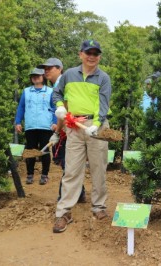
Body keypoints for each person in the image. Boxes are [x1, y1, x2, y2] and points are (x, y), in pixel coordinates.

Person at [50, 40, 111, 233]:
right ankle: (63, 212)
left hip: (95, 126)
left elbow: (103, 104)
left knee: (98, 168)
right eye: (88, 53)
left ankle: (99, 207)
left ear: (99, 56)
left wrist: (97, 125)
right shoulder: (68, 74)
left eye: (95, 53)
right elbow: (57, 94)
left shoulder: (103, 78)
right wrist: (60, 107)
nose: (91, 56)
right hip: (73, 127)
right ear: (80, 54)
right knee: (72, 170)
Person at [37, 58, 86, 203]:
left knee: (68, 163)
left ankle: (65, 195)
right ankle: (79, 193)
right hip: (69, 128)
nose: (46, 71)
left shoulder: (61, 84)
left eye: (49, 68)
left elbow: (63, 111)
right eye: (44, 68)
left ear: (59, 69)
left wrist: (57, 132)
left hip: (69, 129)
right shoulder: (58, 85)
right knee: (68, 163)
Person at [15, 68, 57, 185]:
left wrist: (54, 122)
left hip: (45, 126)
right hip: (30, 126)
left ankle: (44, 174)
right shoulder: (26, 91)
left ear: (43, 77)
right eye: (33, 76)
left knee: (44, 151)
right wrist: (18, 122)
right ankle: (30, 174)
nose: (35, 77)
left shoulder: (50, 91)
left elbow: (55, 108)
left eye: (38, 76)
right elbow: (21, 107)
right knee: (30, 151)